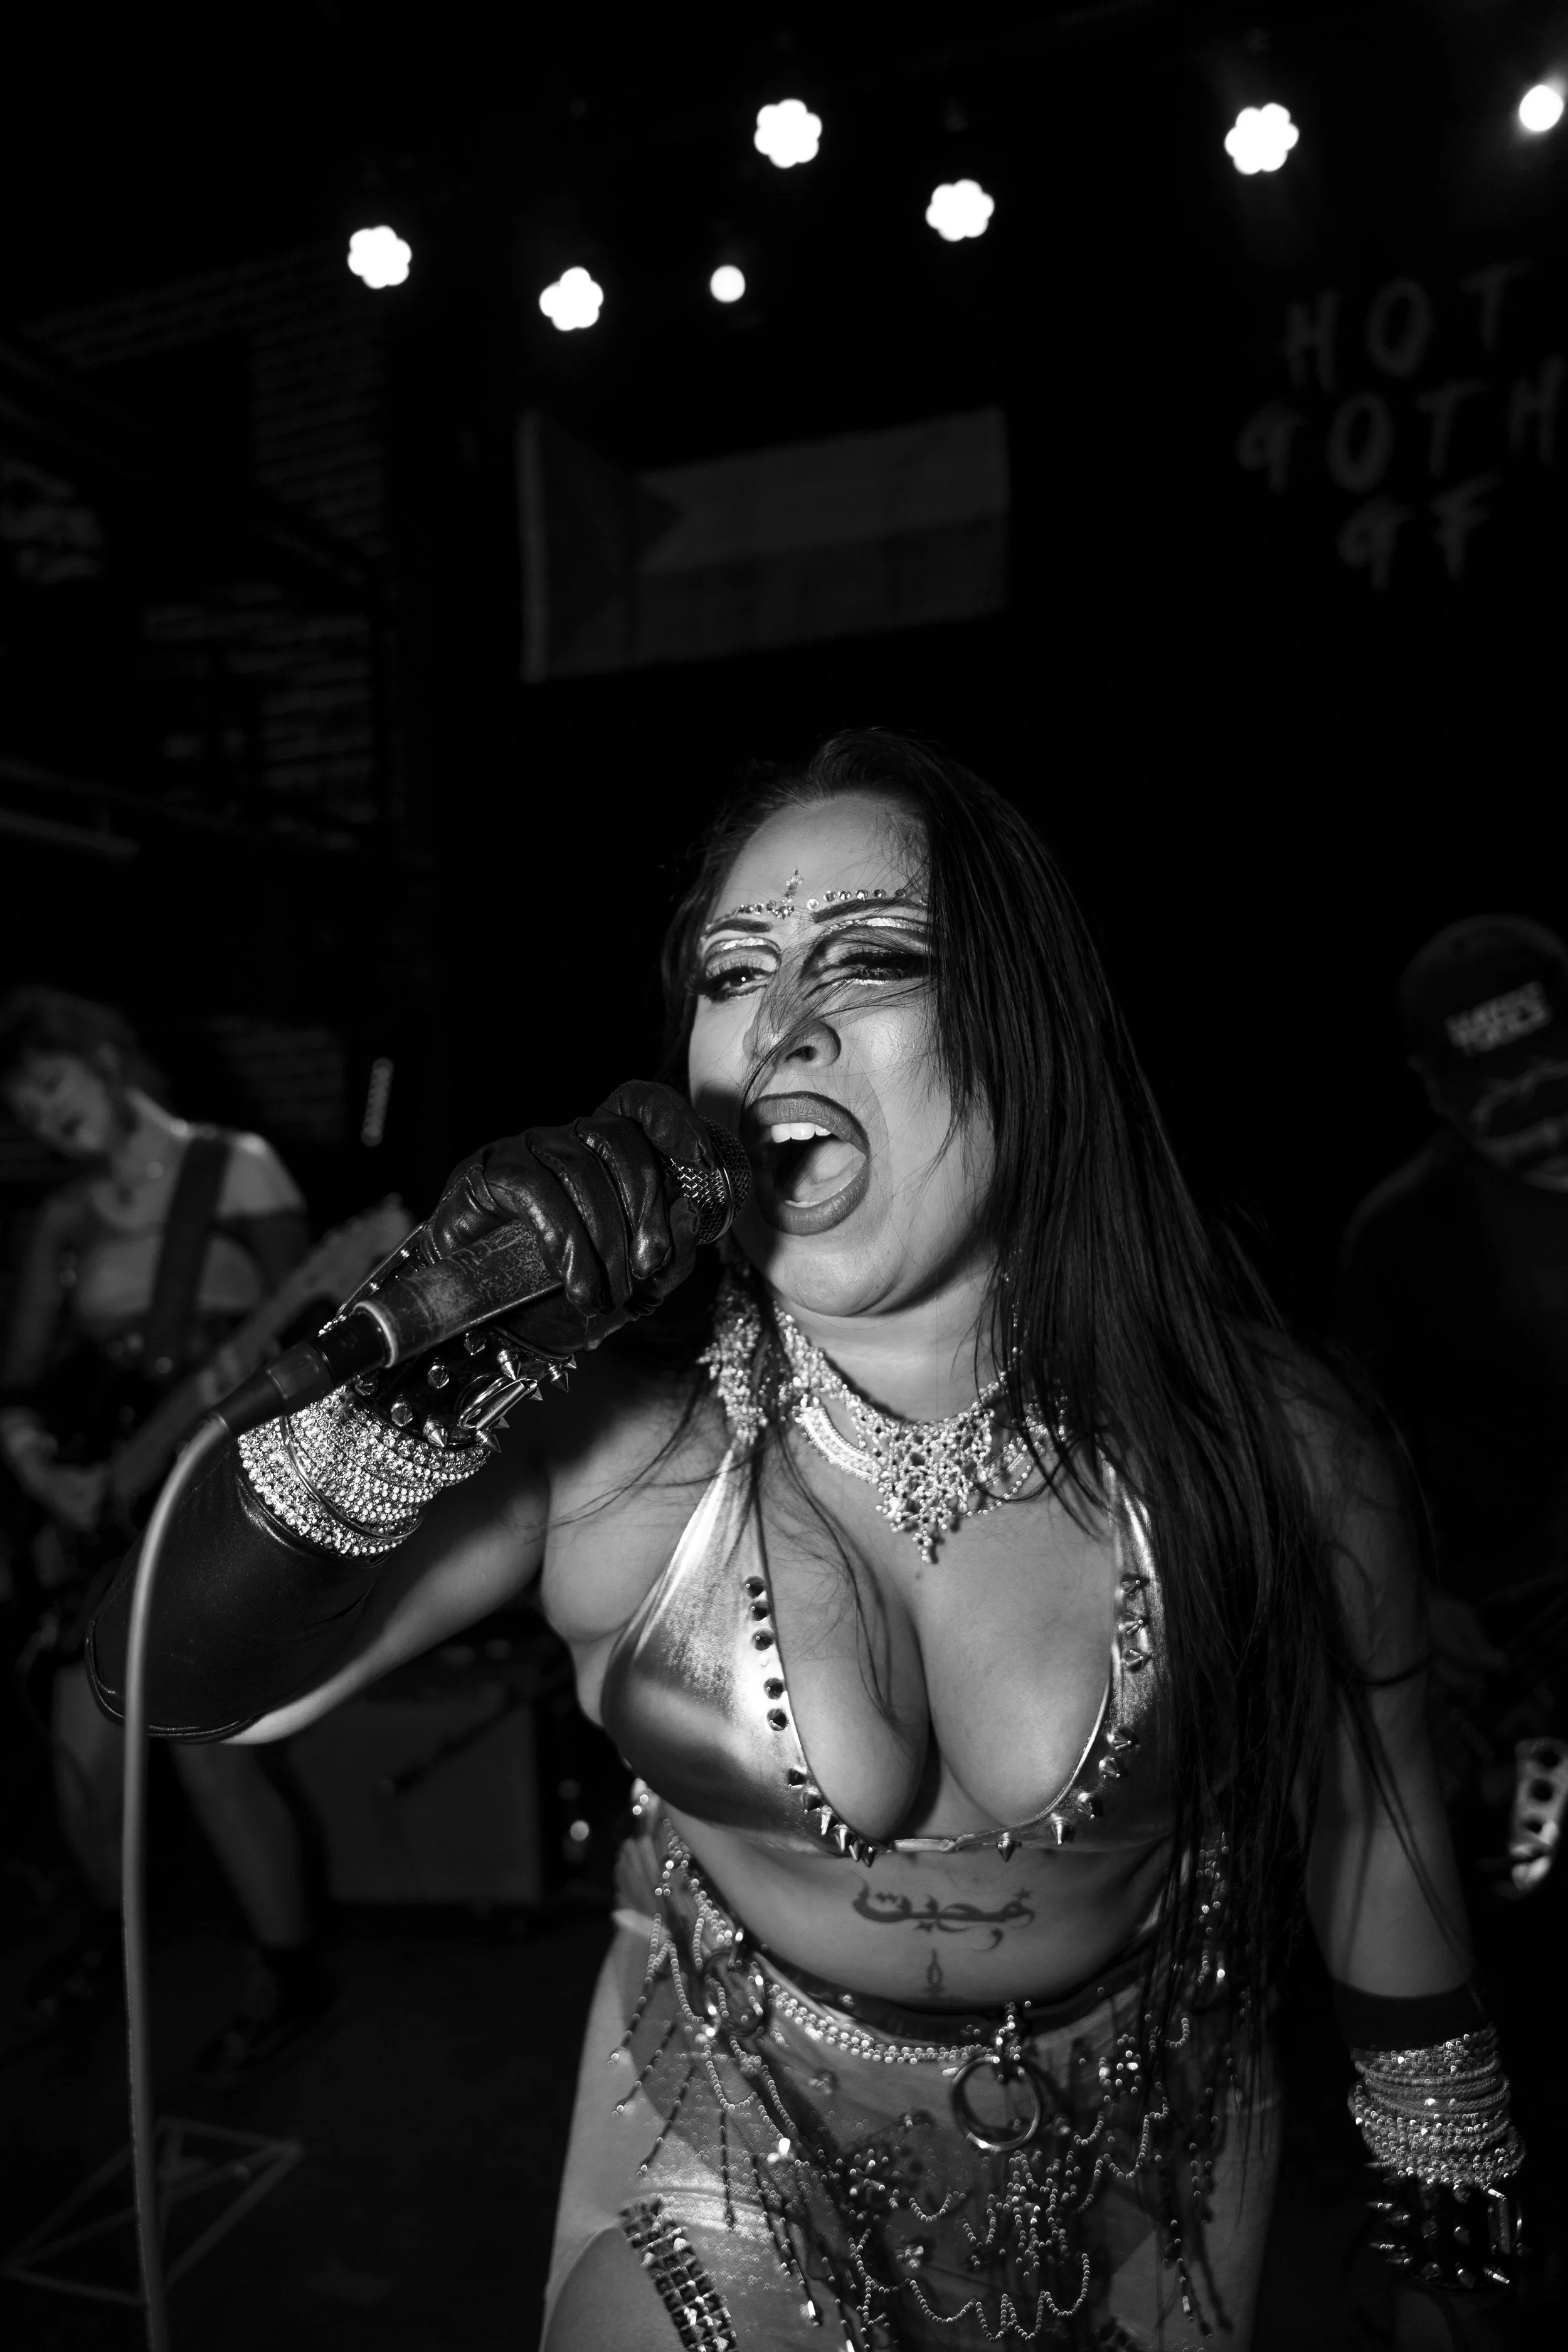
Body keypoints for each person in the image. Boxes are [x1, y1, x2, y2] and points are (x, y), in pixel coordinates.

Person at [88, 736, 1522, 2348]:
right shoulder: (616, 1456)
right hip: (733, 2123)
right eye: (734, 973)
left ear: (1032, 1029)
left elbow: (1372, 1811)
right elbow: (175, 1686)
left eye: (875, 959)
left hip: (1153, 2131)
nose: (781, 1021)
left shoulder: (1270, 1444)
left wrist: (1446, 2206)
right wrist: (431, 1364)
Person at [0, 988, 333, 2080]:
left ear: (105, 1059)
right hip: (103, 1509)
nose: (47, 1117)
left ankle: (289, 1969)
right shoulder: (65, 1218)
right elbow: (22, 1383)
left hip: (218, 1485)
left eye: (52, 1085)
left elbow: (320, 1318)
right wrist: (39, 1465)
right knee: (84, 1774)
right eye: (26, 1111)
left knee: (206, 1756)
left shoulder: (234, 1166)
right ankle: (115, 1948)